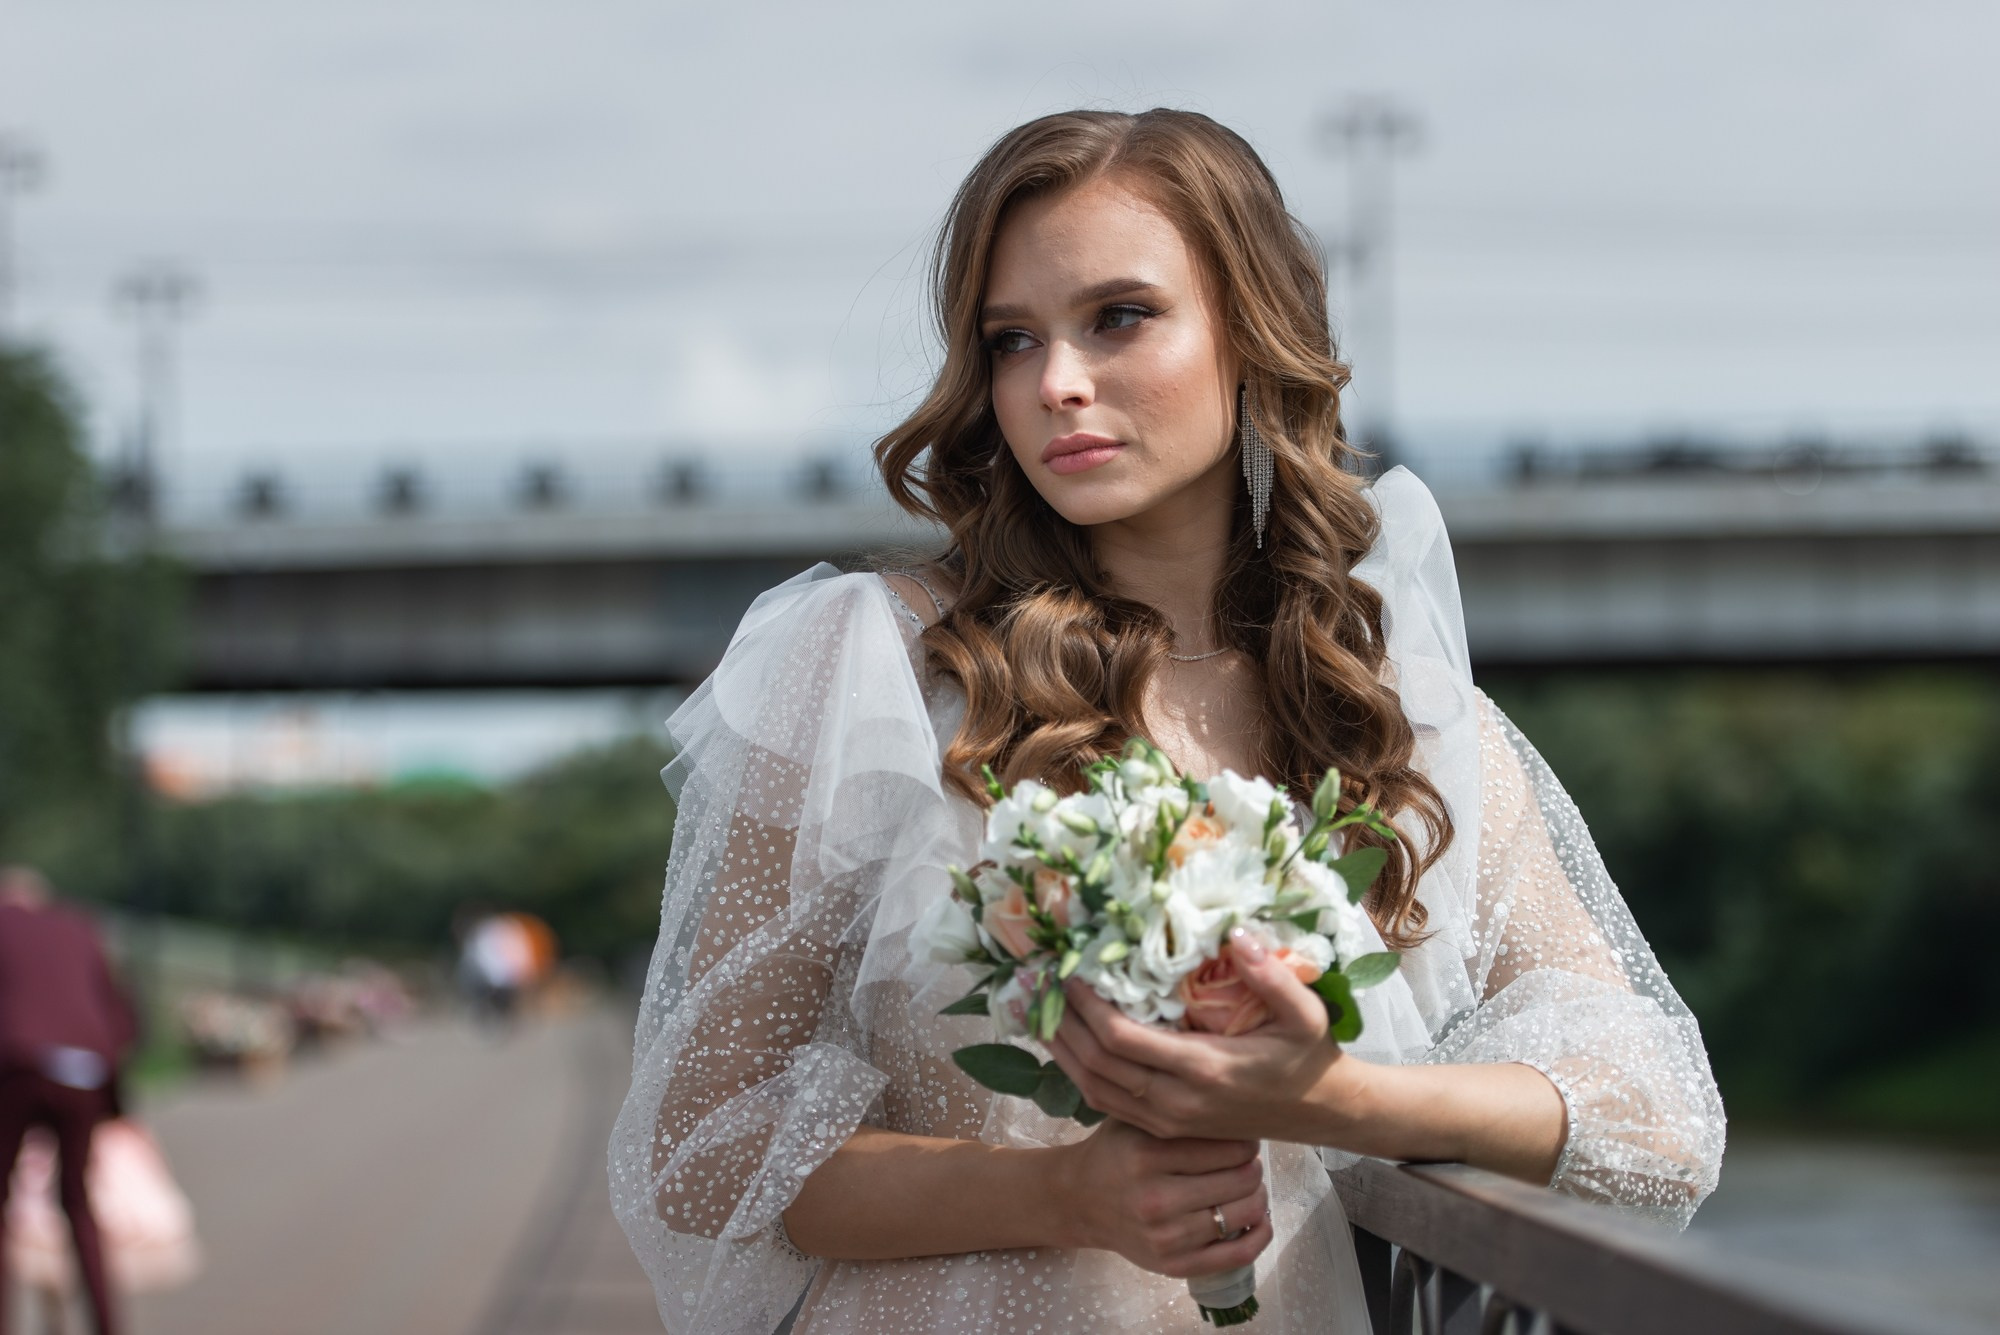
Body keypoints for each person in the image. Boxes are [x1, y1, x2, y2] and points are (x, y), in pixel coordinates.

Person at [609, 109, 1726, 1334]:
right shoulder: (873, 666)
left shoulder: (1389, 717)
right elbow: (709, 1142)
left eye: (1118, 317)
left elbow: (1659, 1126)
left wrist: (1333, 1098)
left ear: (1249, 331)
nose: (1056, 384)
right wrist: (1064, 1191)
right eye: (1010, 340)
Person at [0, 867, 137, 1335]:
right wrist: (115, 1104)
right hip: (86, 1071)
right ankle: (106, 1324)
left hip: (18, 1066)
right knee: (78, 1204)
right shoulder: (80, 927)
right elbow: (118, 1015)